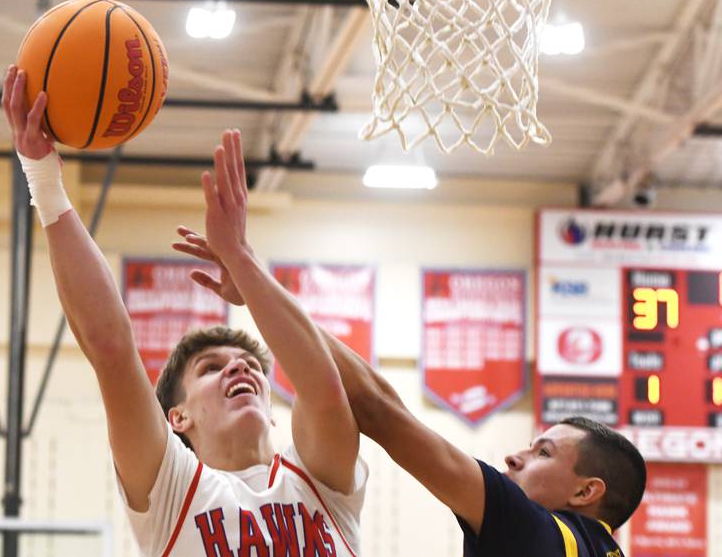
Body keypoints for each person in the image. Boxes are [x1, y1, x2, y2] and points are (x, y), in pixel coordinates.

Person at [1, 65, 366, 557]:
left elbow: (323, 388)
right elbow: (111, 347)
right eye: (210, 368)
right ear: (176, 417)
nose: (238, 366)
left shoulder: (320, 481)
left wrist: (243, 261)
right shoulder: (173, 492)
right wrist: (44, 181)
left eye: (253, 366)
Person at [175, 207, 647, 557]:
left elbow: (379, 410)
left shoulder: (538, 532)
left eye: (543, 452)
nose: (514, 456)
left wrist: (256, 283)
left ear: (586, 492)